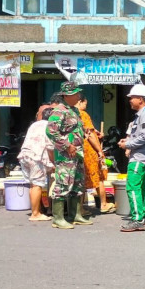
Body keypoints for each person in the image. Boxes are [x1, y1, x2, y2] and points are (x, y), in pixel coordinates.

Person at [45, 81, 92, 229]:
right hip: (66, 155)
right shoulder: (59, 111)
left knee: (77, 184)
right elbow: (51, 131)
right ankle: (58, 219)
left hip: (77, 154)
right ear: (67, 95)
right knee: (63, 184)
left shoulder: (74, 110)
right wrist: (67, 145)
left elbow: (74, 129)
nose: (79, 95)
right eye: (76, 93)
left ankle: (75, 215)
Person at [118, 83, 145, 232]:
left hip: (139, 157)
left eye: (132, 97)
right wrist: (127, 141)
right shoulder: (143, 115)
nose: (129, 100)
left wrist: (128, 144)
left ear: (140, 99)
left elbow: (144, 137)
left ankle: (137, 219)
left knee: (132, 186)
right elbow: (140, 135)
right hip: (144, 157)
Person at [78, 96, 114, 214]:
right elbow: (90, 135)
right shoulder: (83, 114)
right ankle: (103, 203)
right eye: (85, 104)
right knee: (99, 177)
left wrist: (96, 133)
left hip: (78, 150)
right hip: (89, 151)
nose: (86, 106)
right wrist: (99, 150)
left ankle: (80, 208)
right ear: (80, 102)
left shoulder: (71, 114)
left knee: (81, 179)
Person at [17, 106, 54, 221]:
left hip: (24, 156)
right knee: (37, 185)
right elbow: (50, 147)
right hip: (36, 158)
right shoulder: (50, 126)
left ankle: (35, 211)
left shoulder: (34, 124)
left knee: (32, 185)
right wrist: (53, 163)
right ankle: (35, 214)